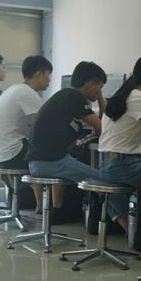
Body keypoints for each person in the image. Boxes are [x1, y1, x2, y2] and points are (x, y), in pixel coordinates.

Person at [27, 61, 106, 220]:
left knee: (95, 175)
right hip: (51, 163)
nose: (99, 92)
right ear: (90, 84)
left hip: (39, 162)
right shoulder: (75, 97)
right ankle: (117, 225)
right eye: (100, 87)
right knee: (106, 181)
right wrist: (101, 100)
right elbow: (102, 127)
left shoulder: (66, 96)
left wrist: (99, 99)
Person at [99, 54, 141, 232]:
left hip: (105, 165)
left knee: (111, 194)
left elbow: (131, 124)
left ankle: (133, 233)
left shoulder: (121, 95)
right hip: (125, 168)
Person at [0, 55, 53, 211]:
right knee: (52, 157)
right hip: (12, 152)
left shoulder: (13, 89)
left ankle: (40, 204)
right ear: (38, 74)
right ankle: (46, 207)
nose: (49, 80)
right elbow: (43, 127)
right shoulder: (28, 93)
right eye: (48, 75)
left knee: (39, 150)